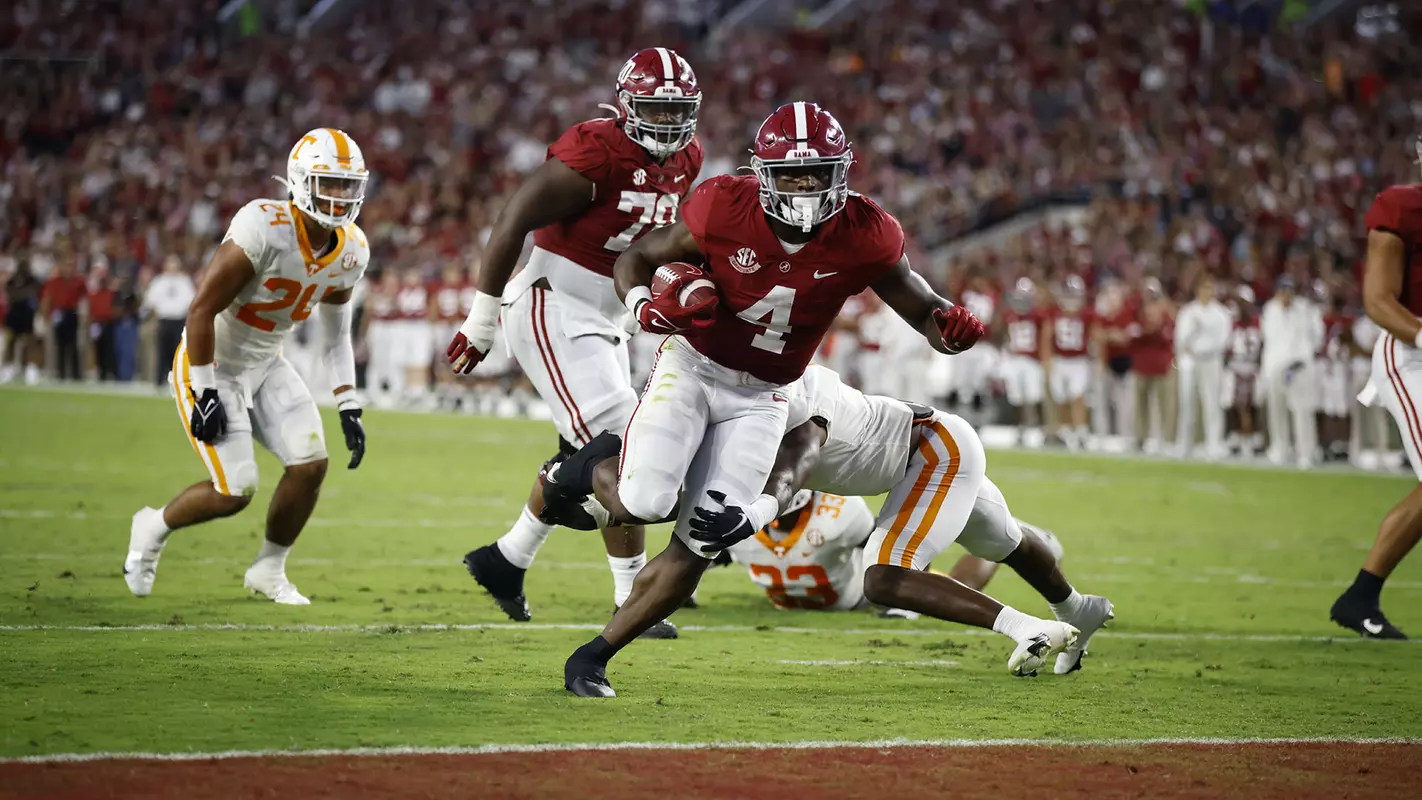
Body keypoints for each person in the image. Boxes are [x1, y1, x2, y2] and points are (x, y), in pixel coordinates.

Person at [557, 101, 986, 697]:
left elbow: (920, 306)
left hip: (766, 393)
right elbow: (637, 258)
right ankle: (578, 466)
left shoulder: (866, 233)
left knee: (707, 536)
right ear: (763, 173)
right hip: (694, 366)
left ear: (843, 172)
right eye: (792, 175)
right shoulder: (723, 205)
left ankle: (593, 657)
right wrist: (642, 306)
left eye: (819, 174)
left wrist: (949, 327)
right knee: (646, 500)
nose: (806, 188)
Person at [550, 365, 1106, 697]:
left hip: (933, 451)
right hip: (902, 466)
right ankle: (1078, 608)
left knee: (885, 577)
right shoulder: (713, 377)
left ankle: (1024, 627)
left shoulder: (789, 378)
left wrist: (758, 513)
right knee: (1000, 539)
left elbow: (802, 451)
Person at [446, 48, 705, 634]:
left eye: (677, 111)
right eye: (655, 110)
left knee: (593, 455)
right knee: (626, 446)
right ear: (626, 105)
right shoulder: (596, 148)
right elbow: (513, 219)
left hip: (608, 317)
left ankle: (506, 560)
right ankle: (632, 594)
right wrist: (481, 319)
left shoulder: (689, 158)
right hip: (552, 303)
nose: (667, 124)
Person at [124, 128, 372, 605]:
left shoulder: (352, 250)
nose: (340, 197)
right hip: (212, 359)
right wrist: (205, 390)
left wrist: (349, 404)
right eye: (329, 183)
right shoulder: (263, 225)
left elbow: (336, 333)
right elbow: (200, 309)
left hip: (267, 361)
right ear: (300, 181)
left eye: (347, 185)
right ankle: (152, 525)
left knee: (310, 464)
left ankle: (269, 569)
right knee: (235, 490)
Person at [1331, 171, 1422, 640]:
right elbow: (1378, 301)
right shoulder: (1403, 207)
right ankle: (1360, 596)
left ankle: (1361, 596)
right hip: (1413, 351)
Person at [1260, 274, 1323, 468]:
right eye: (1282, 291)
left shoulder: (1306, 309)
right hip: (1276, 366)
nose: (1285, 295)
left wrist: (1306, 354)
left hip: (1298, 366)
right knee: (1276, 410)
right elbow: (1269, 339)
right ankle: (1280, 449)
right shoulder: (1270, 309)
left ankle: (1306, 453)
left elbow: (1318, 335)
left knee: (1302, 410)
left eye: (1289, 291)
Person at [1173, 275, 1233, 459]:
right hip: (1190, 360)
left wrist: (1206, 345)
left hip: (1211, 360)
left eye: (1210, 288)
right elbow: (1180, 339)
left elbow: (1224, 340)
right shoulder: (1188, 312)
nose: (1207, 292)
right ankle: (1184, 444)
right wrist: (1194, 331)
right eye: (1204, 288)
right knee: (1187, 403)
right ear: (1198, 290)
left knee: (1212, 403)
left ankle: (1213, 444)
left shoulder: (1221, 313)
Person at [1043, 275, 1094, 451]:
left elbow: (1097, 336)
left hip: (1079, 360)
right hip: (1060, 360)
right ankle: (1065, 431)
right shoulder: (1054, 313)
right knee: (1061, 398)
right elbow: (1047, 337)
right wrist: (1047, 360)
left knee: (1077, 396)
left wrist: (1098, 359)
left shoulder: (1087, 314)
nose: (1071, 300)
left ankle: (1081, 432)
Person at [998, 278, 1047, 447]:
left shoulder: (1038, 315)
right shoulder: (1009, 315)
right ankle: (1019, 430)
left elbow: (1045, 337)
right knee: (1016, 397)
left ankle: (1041, 430)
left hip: (1032, 359)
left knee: (1034, 396)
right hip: (1015, 358)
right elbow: (1004, 334)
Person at [1221, 285, 1264, 458]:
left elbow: (1263, 346)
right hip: (1235, 366)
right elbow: (1226, 347)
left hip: (1252, 367)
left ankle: (1252, 437)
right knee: (1232, 404)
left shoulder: (1259, 322)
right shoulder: (1230, 322)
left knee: (1252, 405)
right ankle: (1237, 436)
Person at [145, 254, 197, 385]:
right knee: (162, 351)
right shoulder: (159, 281)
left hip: (179, 320)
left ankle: (177, 381)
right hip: (164, 320)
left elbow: (191, 301)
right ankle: (159, 380)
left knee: (178, 352)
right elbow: (151, 301)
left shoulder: (185, 281)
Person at [39, 255, 87, 381]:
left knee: (73, 345)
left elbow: (83, 300)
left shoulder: (78, 281)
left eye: (70, 265)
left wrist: (83, 317)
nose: (68, 268)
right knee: (59, 345)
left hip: (72, 313)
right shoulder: (54, 282)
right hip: (58, 314)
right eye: (66, 265)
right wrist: (46, 316)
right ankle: (60, 374)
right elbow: (47, 299)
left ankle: (76, 376)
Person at [1, 257, 43, 385]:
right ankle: (7, 369)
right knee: (11, 342)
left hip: (27, 313)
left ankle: (31, 369)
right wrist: (22, 294)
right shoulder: (13, 280)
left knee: (30, 341)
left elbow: (33, 291)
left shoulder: (32, 279)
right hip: (14, 314)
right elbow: (9, 292)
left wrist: (19, 294)